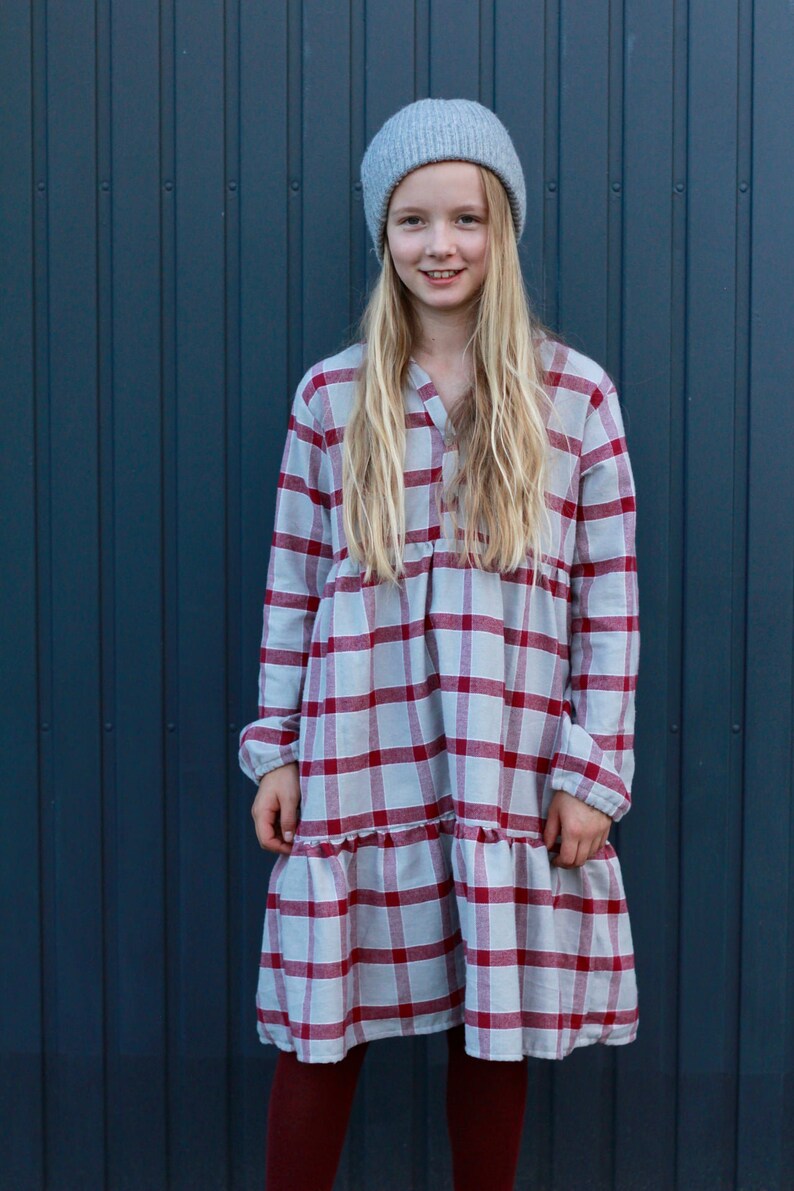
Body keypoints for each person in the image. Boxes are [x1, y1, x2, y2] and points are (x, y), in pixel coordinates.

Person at [239, 97, 640, 1191]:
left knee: (489, 1020)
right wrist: (272, 746)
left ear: (500, 228)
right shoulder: (332, 399)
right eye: (411, 221)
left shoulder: (574, 400)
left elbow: (609, 608)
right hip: (357, 753)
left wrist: (592, 776)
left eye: (464, 218)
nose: (439, 246)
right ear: (384, 237)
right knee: (326, 1021)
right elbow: (289, 588)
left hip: (503, 760)